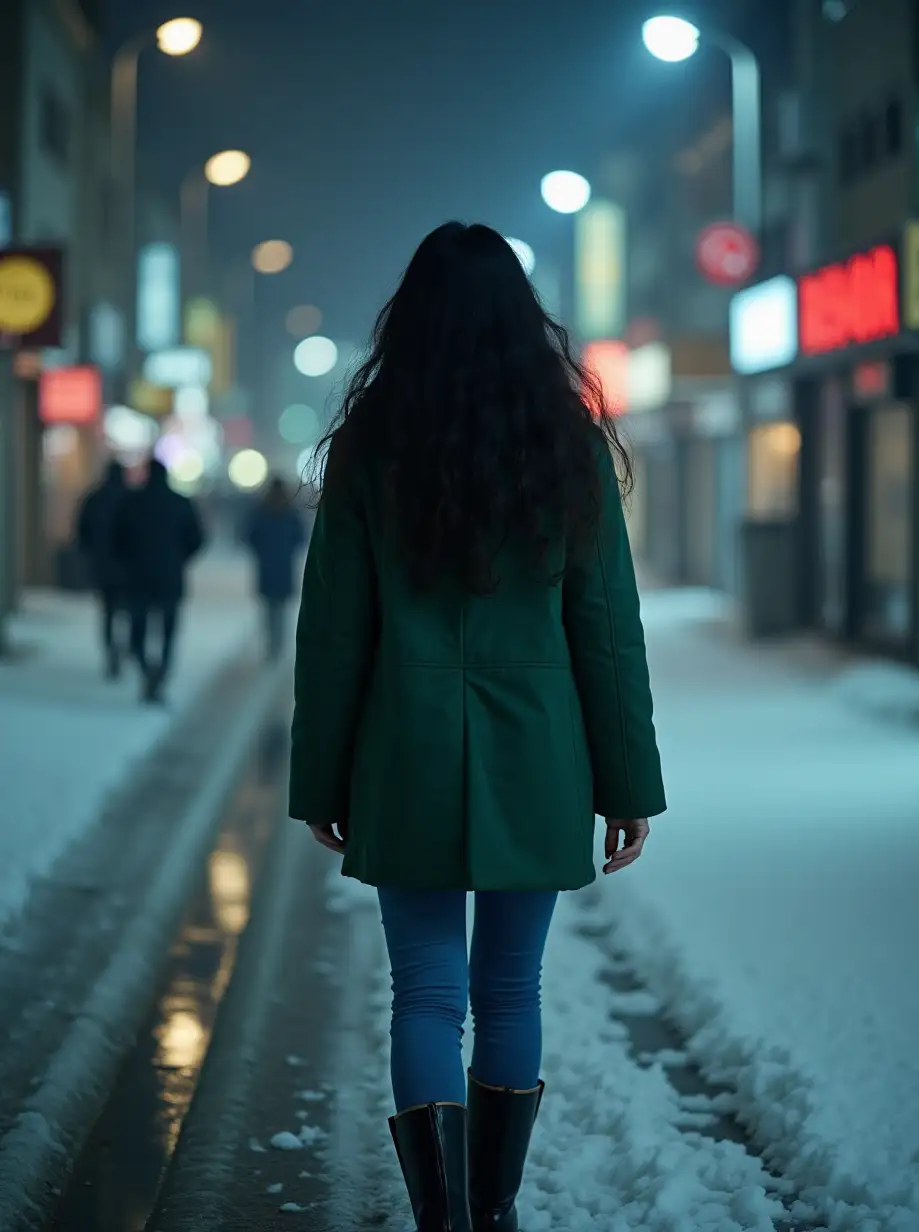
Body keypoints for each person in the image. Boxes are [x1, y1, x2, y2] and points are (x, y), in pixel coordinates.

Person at [289, 223, 666, 1231]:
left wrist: (321, 778)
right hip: (536, 754)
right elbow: (607, 633)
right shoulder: (567, 448)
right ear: (520, 321)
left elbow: (332, 633)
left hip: (404, 752)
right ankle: (491, 1210)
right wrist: (627, 783)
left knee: (423, 992)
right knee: (507, 990)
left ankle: (441, 1217)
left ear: (407, 322)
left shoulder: (370, 450)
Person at [114, 457, 205, 703]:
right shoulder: (180, 502)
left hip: (138, 577)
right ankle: (161, 672)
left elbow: (117, 539)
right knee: (167, 630)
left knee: (139, 628)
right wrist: (178, 558)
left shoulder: (132, 502)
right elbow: (197, 539)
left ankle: (146, 669)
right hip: (169, 576)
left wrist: (129, 560)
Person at [76, 460, 129, 679]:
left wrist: (90, 554)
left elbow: (82, 530)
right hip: (128, 567)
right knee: (128, 612)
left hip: (103, 564)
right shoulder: (131, 499)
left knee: (108, 613)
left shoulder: (95, 498)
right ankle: (126, 650)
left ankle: (111, 653)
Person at [244, 476, 306, 660]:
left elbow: (250, 536)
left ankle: (273, 643)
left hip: (266, 568)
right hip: (284, 568)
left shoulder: (261, 512)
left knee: (270, 609)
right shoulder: (290, 513)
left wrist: (262, 551)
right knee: (281, 608)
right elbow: (300, 538)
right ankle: (278, 643)